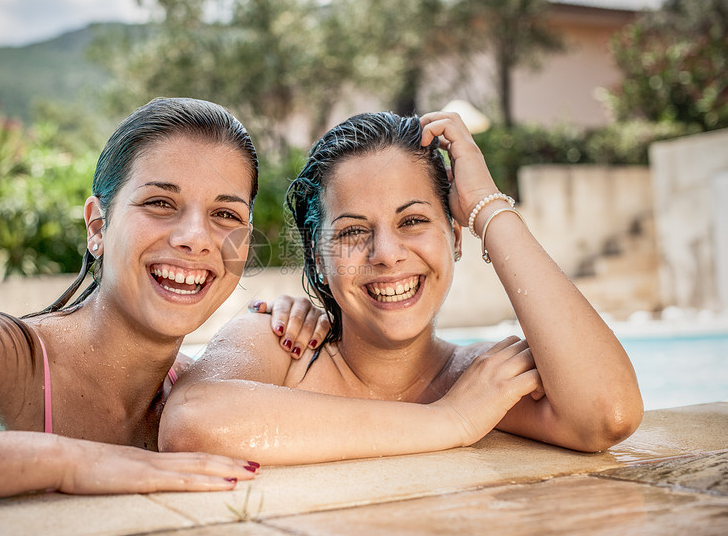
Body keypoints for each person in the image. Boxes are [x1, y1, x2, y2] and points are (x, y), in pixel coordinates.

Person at [0, 97, 329, 517]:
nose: (195, 238)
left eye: (226, 214)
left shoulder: (196, 400)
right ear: (97, 226)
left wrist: (315, 324)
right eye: (160, 202)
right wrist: (63, 461)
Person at [159, 110, 644, 465]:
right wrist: (450, 421)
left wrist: (488, 210)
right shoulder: (281, 342)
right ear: (318, 259)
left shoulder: (480, 379)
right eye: (351, 231)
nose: (386, 253)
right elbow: (189, 424)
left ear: (455, 236)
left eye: (413, 220)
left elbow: (609, 414)